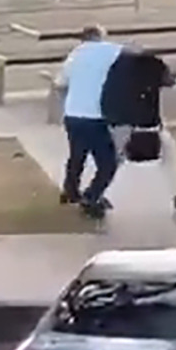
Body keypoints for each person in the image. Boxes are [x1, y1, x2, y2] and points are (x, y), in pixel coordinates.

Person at [101, 47, 176, 215]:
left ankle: (98, 194)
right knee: (172, 158)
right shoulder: (154, 67)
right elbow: (170, 82)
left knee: (112, 161)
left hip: (121, 122)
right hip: (150, 123)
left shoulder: (116, 69)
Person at [56, 24, 123, 217]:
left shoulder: (74, 55)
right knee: (108, 162)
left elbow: (60, 83)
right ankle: (92, 196)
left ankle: (70, 190)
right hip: (97, 115)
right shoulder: (113, 51)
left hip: (73, 114)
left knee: (77, 154)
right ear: (101, 36)